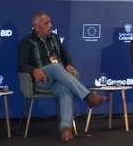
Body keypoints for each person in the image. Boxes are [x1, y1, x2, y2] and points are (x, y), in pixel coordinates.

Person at [17, 11, 106, 143]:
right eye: (46, 23)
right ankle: (88, 96)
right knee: (56, 66)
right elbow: (21, 65)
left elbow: (65, 55)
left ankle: (66, 129)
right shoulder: (27, 42)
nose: (51, 25)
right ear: (36, 26)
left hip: (58, 80)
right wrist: (34, 70)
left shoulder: (54, 38)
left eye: (50, 22)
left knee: (65, 91)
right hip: (41, 80)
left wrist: (69, 64)